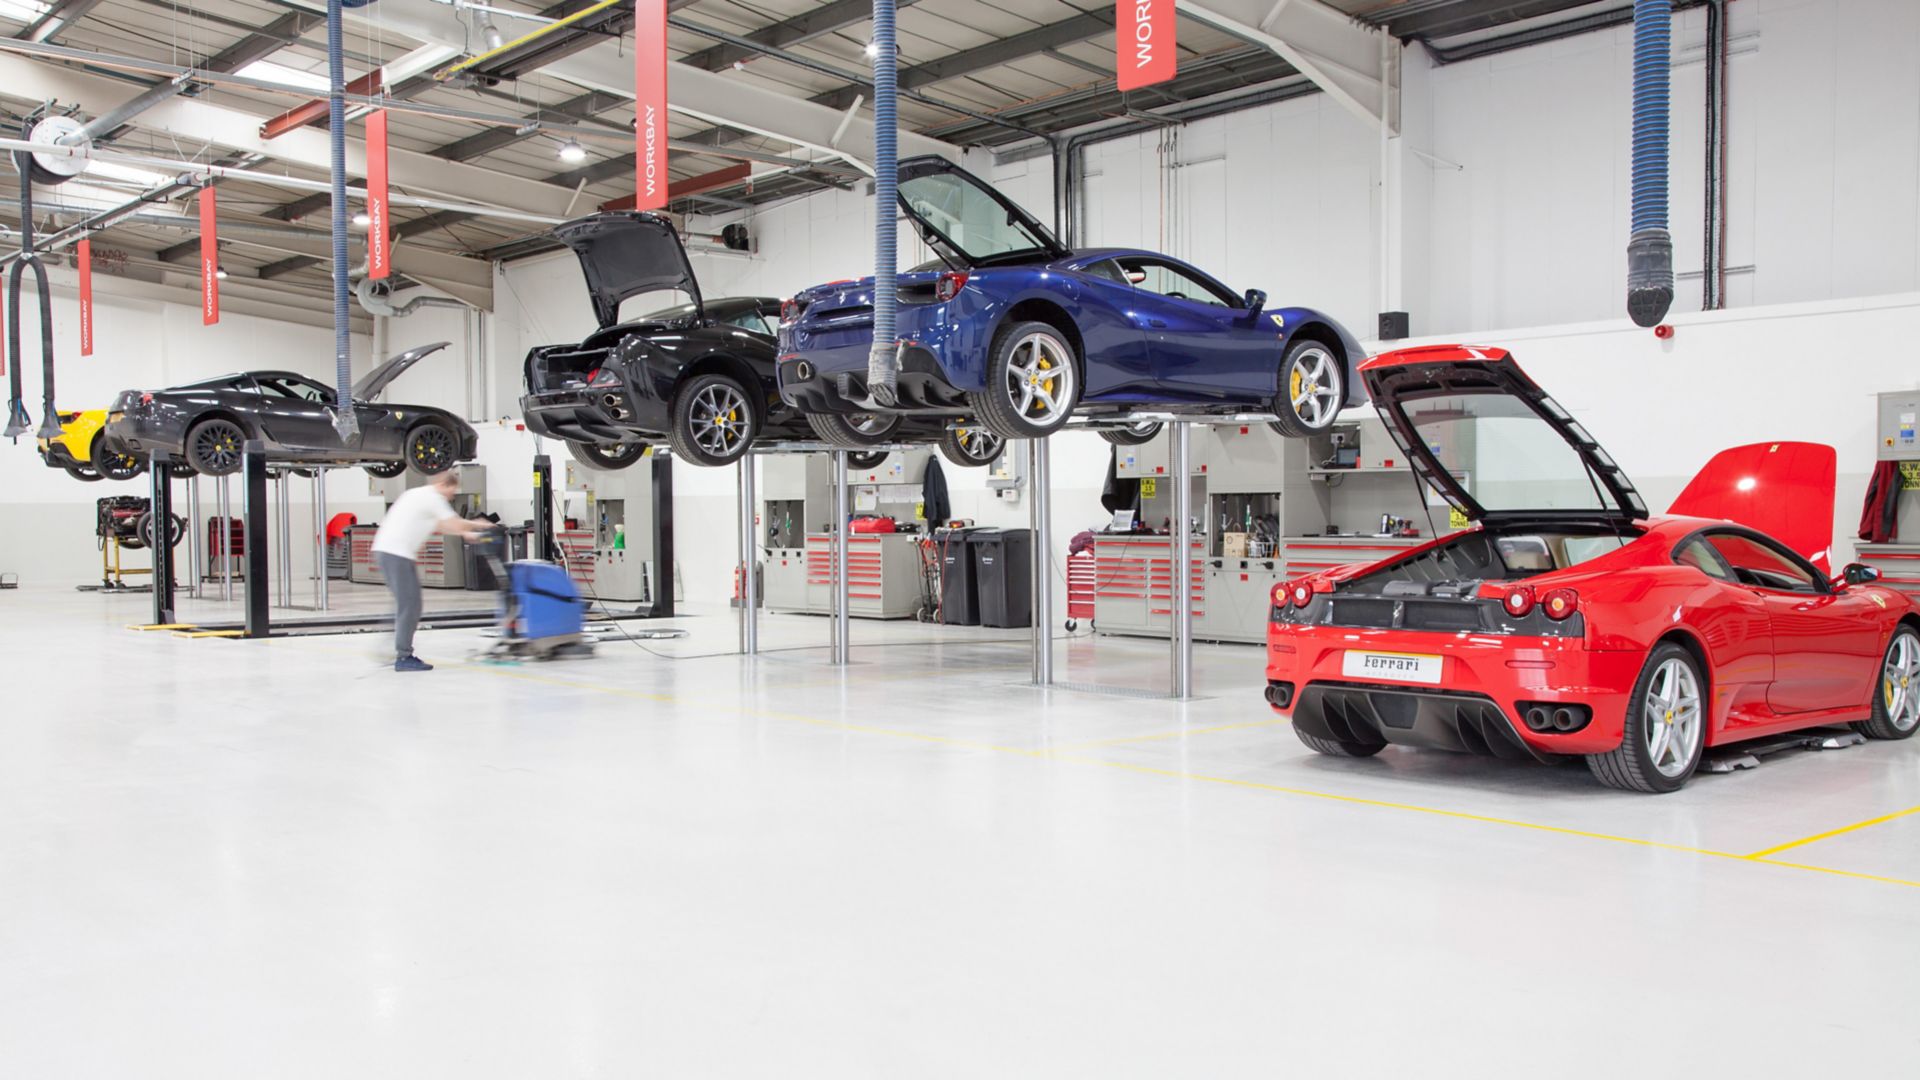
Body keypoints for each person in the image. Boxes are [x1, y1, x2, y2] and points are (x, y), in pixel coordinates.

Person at [372, 471, 497, 672]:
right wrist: (479, 525)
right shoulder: (433, 498)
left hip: (386, 551)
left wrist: (464, 533)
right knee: (410, 604)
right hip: (397, 554)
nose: (452, 496)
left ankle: (391, 647)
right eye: (452, 491)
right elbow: (453, 521)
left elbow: (440, 524)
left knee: (404, 602)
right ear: (444, 485)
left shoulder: (416, 494)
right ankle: (403, 656)